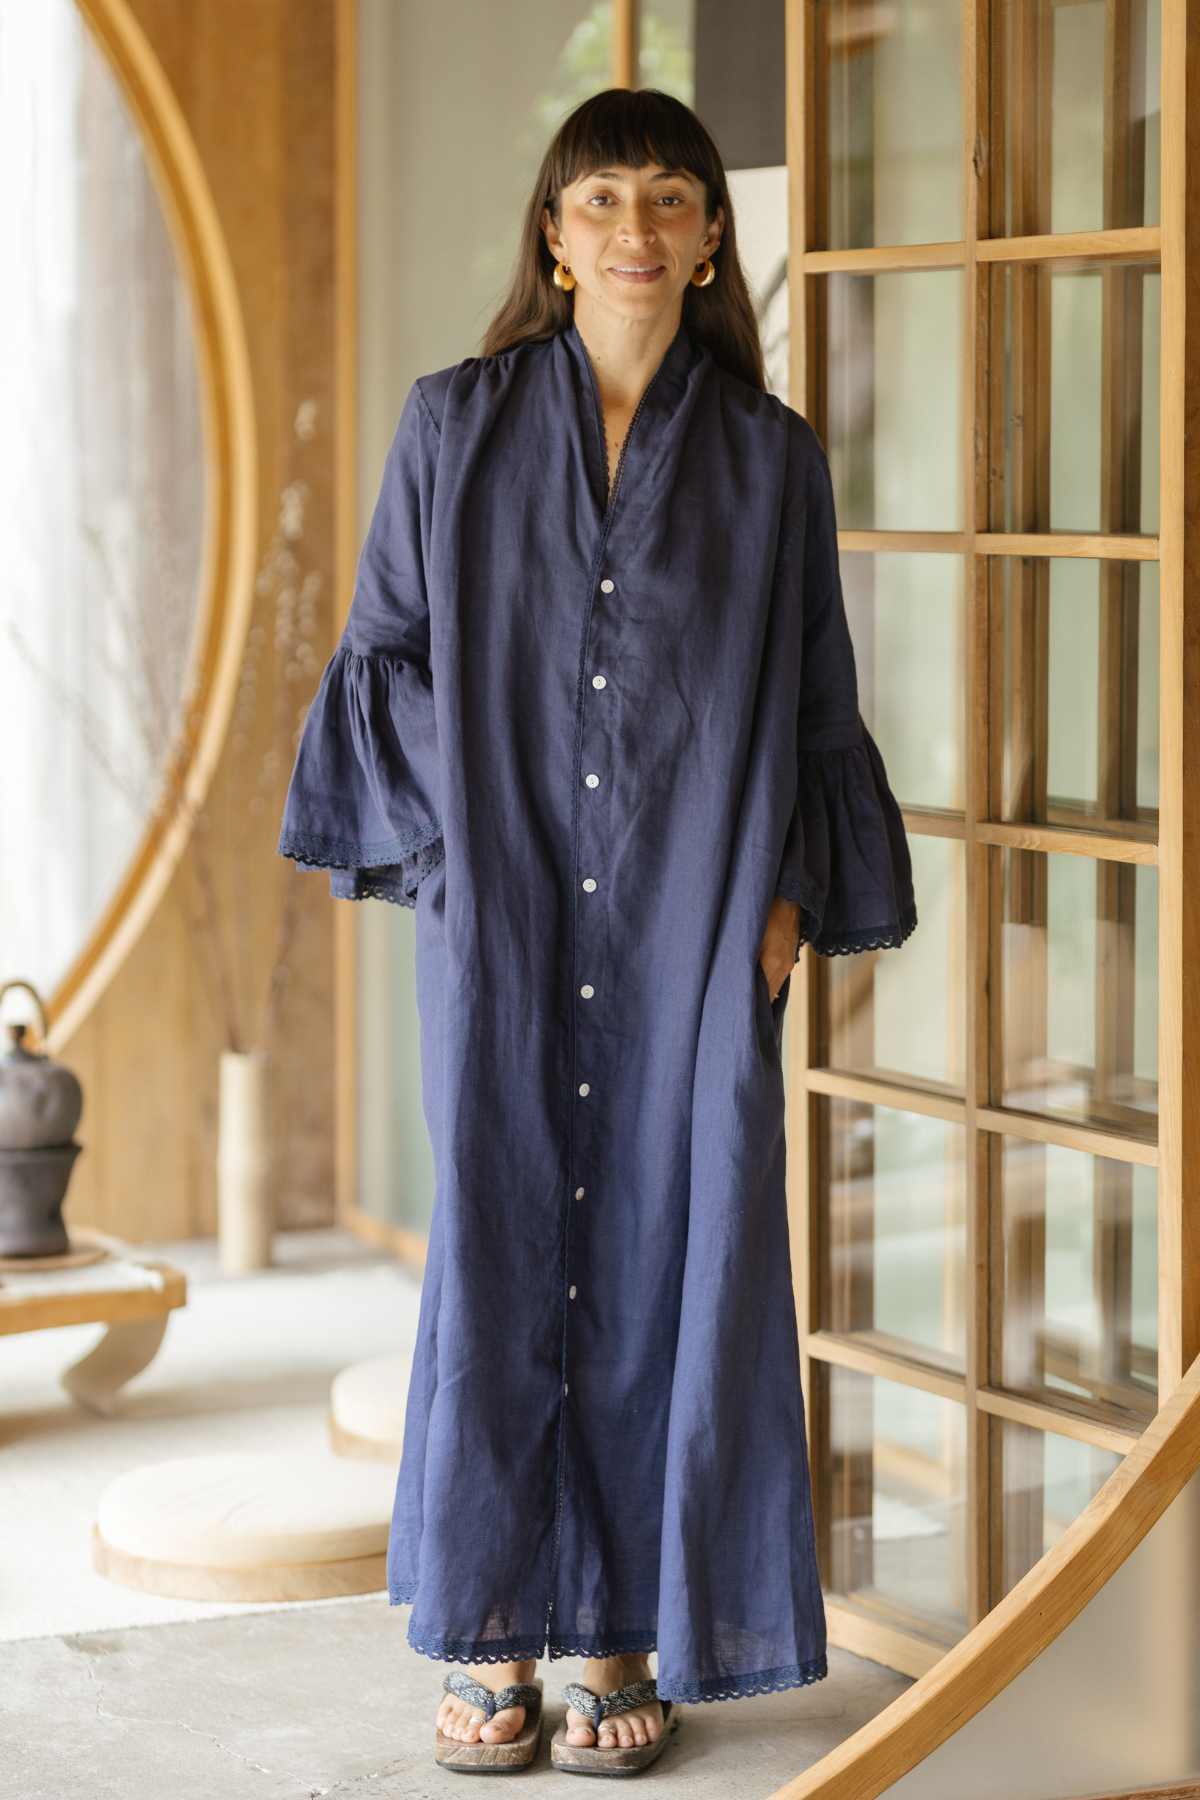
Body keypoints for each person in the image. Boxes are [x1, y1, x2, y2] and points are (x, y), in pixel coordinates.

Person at [277, 87, 916, 1777]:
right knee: (496, 1247)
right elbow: (386, 668)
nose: (636, 227)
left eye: (670, 199)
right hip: (502, 931)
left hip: (697, 944)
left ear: (711, 239)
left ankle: (619, 1627)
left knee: (676, 1248)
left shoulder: (773, 465)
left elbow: (813, 707)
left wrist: (780, 920)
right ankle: (496, 1632)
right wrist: (461, 857)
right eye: (602, 199)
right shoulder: (450, 426)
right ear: (555, 242)